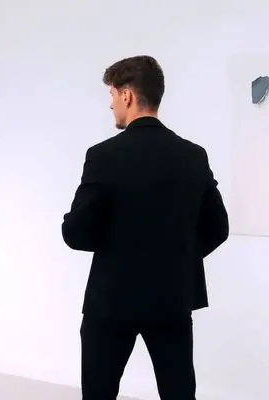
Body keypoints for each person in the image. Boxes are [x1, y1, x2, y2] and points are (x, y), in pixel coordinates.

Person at [61, 55, 229, 400]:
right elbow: (218, 227)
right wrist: (177, 254)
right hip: (172, 298)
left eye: (111, 95)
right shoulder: (193, 155)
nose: (110, 104)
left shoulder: (103, 155)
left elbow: (76, 233)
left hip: (111, 300)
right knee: (179, 393)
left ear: (126, 95)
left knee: (98, 393)